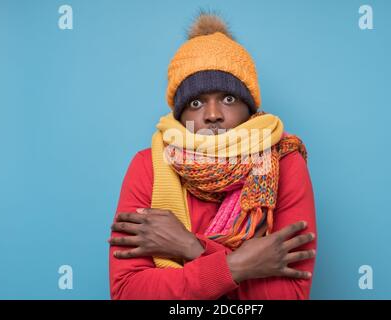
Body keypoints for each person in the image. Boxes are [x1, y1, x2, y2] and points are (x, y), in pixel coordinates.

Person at [108, 11, 317, 300]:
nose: (213, 115)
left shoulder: (284, 161)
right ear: (181, 115)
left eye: (228, 99)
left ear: (250, 108)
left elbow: (290, 294)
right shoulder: (149, 166)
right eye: (196, 102)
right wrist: (240, 265)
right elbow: (128, 292)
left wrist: (190, 246)